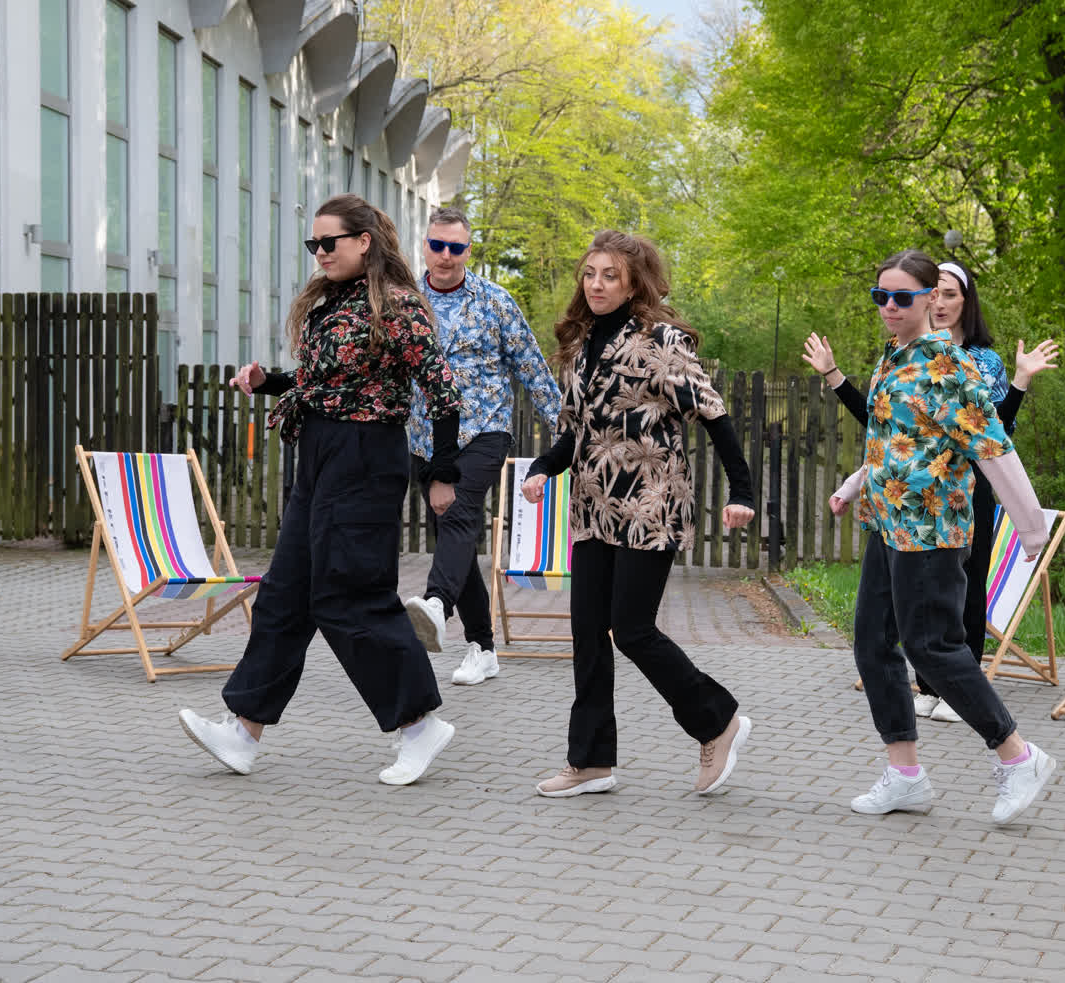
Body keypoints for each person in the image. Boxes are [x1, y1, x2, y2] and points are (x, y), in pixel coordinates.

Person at [177, 194, 464, 787]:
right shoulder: (335, 301)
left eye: (328, 242)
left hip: (366, 456)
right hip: (321, 454)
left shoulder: (398, 305)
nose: (320, 253)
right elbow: (322, 383)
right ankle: (243, 732)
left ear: (363, 241)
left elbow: (443, 392)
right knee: (285, 594)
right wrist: (268, 381)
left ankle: (419, 725)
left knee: (350, 594)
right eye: (314, 244)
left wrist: (443, 471)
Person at [824, 249, 1059, 824]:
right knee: (872, 645)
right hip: (888, 525)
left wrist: (1032, 531)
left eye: (901, 297)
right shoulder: (891, 357)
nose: (889, 306)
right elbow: (891, 442)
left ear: (931, 299)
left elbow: (994, 448)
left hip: (931, 532)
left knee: (932, 648)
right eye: (881, 296)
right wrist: (854, 486)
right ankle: (905, 775)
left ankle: (1019, 756)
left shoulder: (949, 368)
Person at [523, 230, 756, 798]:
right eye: (590, 273)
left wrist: (743, 491)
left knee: (631, 630)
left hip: (650, 505)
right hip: (593, 508)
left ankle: (717, 720)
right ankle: (591, 762)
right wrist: (544, 468)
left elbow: (714, 414)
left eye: (610, 275)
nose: (596, 284)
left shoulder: (661, 341)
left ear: (633, 284)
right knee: (587, 634)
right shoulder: (581, 344)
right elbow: (577, 431)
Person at [401, 205, 563, 686]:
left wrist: (569, 433)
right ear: (425, 246)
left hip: (484, 430)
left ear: (469, 251)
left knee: (459, 510)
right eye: (437, 245)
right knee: (455, 536)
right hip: (425, 439)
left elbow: (532, 368)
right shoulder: (405, 302)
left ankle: (435, 604)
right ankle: (484, 648)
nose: (445, 255)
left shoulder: (496, 302)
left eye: (456, 247)